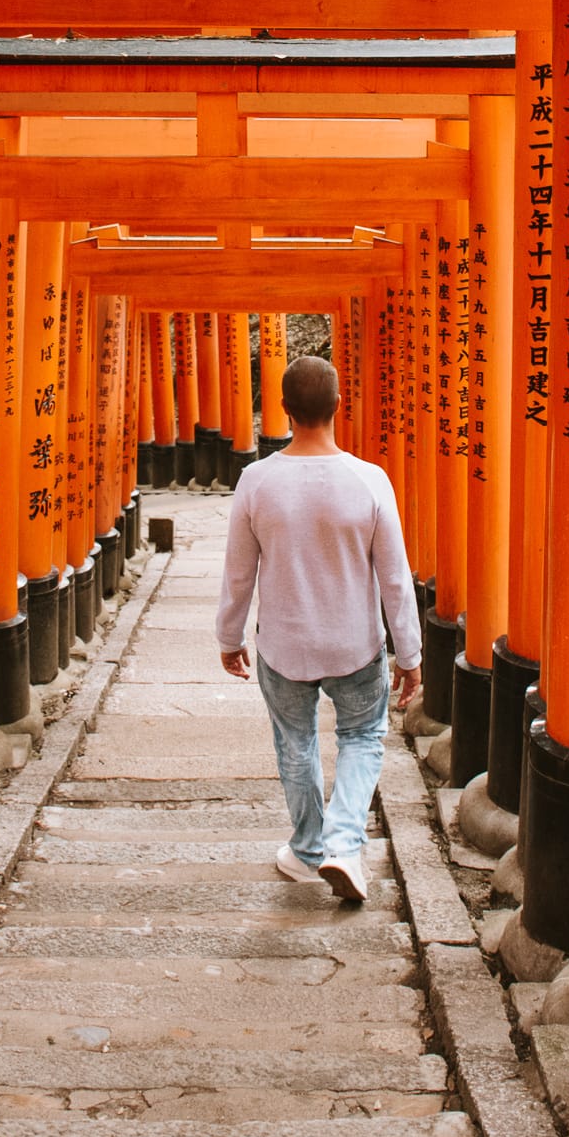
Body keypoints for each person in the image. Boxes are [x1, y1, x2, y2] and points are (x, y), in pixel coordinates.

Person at [214, 353, 423, 904]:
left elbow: (239, 573)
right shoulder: (370, 480)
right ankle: (344, 845)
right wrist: (409, 651)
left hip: (283, 644)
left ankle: (309, 848)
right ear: (337, 406)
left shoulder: (256, 481)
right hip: (356, 642)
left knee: (295, 741)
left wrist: (228, 637)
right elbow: (395, 578)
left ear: (282, 409)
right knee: (362, 737)